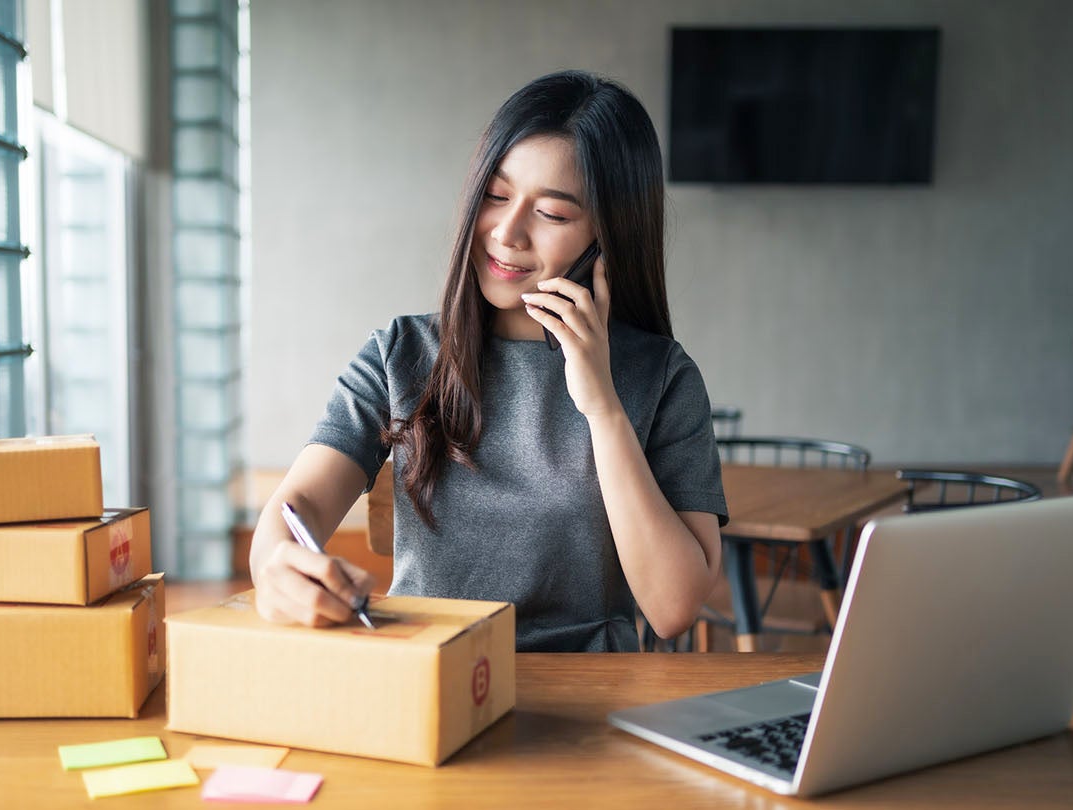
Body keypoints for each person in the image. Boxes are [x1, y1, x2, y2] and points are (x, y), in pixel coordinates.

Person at [249, 70, 729, 652]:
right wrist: (276, 567)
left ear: (608, 237)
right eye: (497, 196)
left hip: (584, 687)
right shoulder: (399, 354)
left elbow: (673, 609)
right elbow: (295, 509)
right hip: (431, 674)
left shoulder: (662, 377)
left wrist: (603, 406)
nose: (507, 232)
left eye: (552, 213)